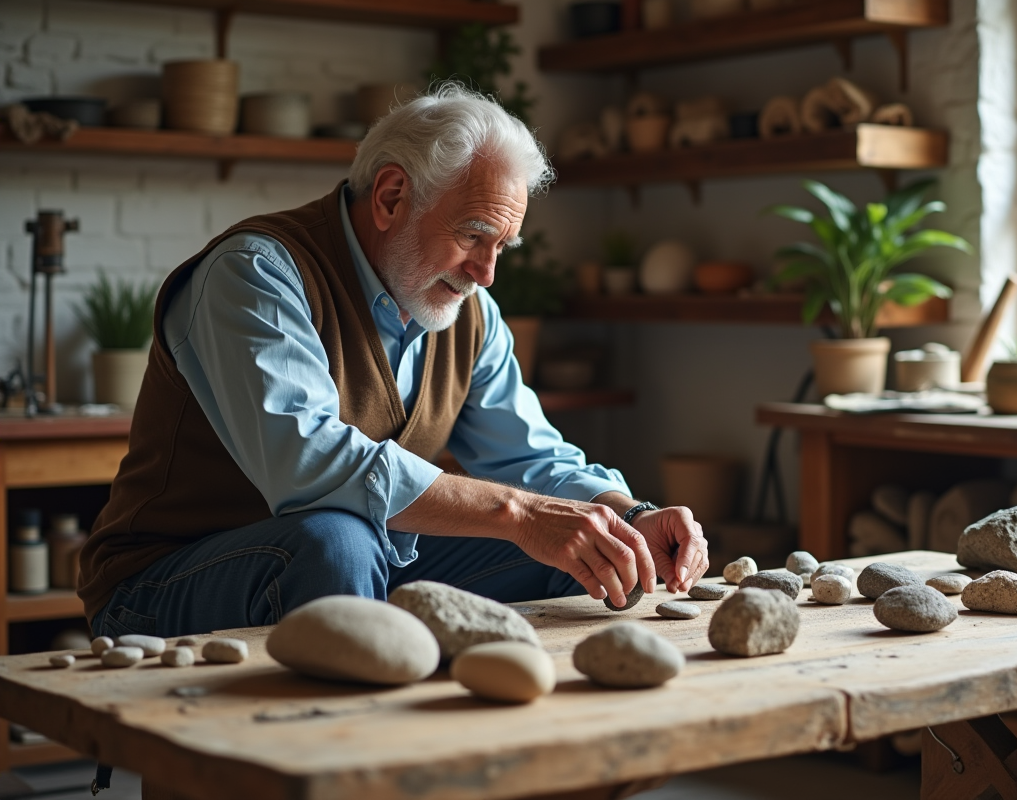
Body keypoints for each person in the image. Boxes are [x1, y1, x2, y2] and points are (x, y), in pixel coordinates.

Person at [79, 85, 709, 638]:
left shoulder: (467, 312)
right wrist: (518, 514)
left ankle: (520, 750)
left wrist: (629, 516)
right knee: (334, 540)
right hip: (162, 581)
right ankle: (356, 760)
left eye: (502, 246)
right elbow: (310, 465)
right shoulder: (255, 275)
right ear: (390, 195)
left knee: (588, 549)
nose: (487, 274)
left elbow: (529, 455)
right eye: (472, 235)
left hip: (365, 560)